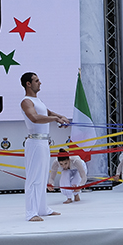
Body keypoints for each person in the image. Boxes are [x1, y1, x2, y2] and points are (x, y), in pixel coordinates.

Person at [20, 72, 71, 222]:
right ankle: (31, 212)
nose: (40, 83)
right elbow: (34, 118)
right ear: (28, 84)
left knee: (42, 177)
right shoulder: (26, 101)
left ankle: (42, 209)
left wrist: (60, 117)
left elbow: (46, 112)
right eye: (36, 80)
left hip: (43, 142)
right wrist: (55, 119)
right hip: (35, 143)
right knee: (33, 178)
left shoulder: (37, 100)